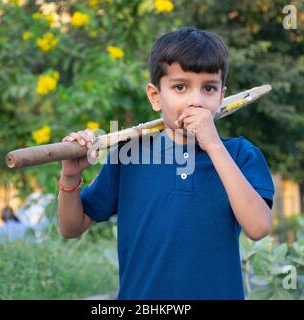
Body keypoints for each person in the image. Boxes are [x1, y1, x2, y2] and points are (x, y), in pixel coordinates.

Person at [57, 27, 275, 299]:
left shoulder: (241, 154)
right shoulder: (129, 155)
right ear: (155, 96)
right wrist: (70, 177)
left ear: (221, 98)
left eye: (209, 88)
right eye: (180, 87)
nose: (196, 100)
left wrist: (214, 145)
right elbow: (71, 227)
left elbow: (258, 227)